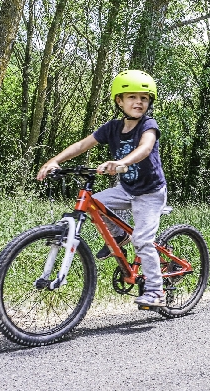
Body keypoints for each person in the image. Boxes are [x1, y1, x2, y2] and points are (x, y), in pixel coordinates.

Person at [36, 69, 168, 308]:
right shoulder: (112, 128)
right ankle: (118, 235)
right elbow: (81, 145)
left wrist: (123, 162)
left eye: (144, 98)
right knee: (96, 203)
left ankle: (156, 290)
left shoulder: (148, 125)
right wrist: (55, 160)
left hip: (149, 192)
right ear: (119, 101)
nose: (139, 102)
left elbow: (145, 148)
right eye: (132, 97)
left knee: (142, 240)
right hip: (127, 188)